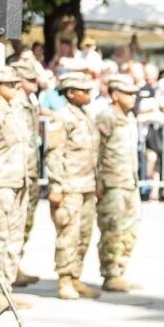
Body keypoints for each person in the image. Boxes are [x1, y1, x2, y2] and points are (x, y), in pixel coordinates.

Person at [0, 67, 34, 310]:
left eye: (16, 84)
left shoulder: (16, 114)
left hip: (18, 183)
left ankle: (5, 287)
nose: (15, 87)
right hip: (1, 186)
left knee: (13, 239)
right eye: (9, 84)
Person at [46, 72, 102, 301]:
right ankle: (65, 279)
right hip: (69, 185)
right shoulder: (60, 118)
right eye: (84, 91)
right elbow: (54, 154)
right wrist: (56, 185)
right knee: (67, 233)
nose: (89, 95)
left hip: (86, 184)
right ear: (70, 93)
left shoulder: (85, 116)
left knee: (83, 234)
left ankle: (76, 276)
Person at [95, 75, 142, 292]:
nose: (133, 97)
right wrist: (98, 181)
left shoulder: (129, 117)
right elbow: (96, 150)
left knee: (129, 230)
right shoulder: (107, 117)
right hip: (112, 183)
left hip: (129, 182)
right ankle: (110, 273)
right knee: (112, 229)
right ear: (115, 95)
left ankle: (120, 270)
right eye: (128, 93)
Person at [9, 61, 43, 287]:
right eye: (30, 79)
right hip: (14, 173)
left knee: (25, 223)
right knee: (10, 224)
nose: (35, 83)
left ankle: (15, 266)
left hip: (29, 172)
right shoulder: (12, 104)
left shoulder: (30, 103)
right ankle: (5, 275)